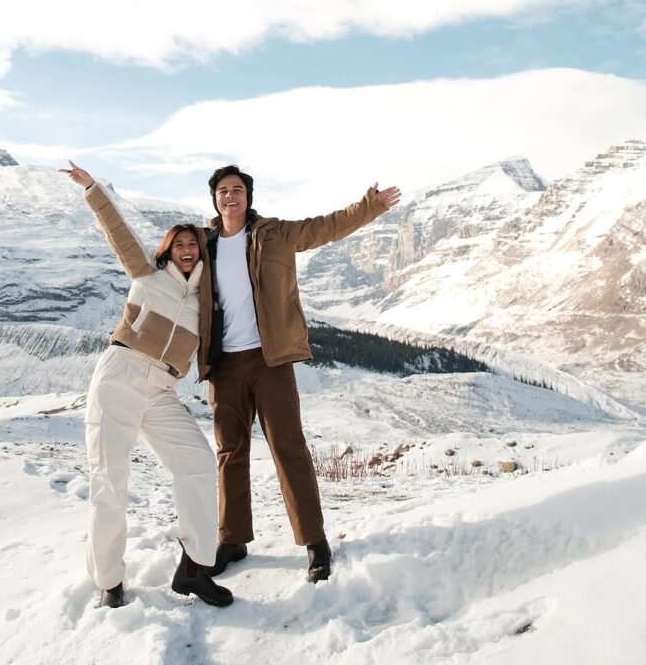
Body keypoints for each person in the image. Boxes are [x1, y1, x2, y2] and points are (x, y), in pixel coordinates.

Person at [200, 165, 401, 583]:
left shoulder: (276, 234)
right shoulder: (204, 245)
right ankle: (232, 540)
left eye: (237, 189)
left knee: (289, 448)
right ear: (215, 199)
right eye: (223, 191)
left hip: (269, 360)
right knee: (229, 454)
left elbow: (326, 227)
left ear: (248, 197)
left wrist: (370, 206)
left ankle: (315, 542)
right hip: (224, 365)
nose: (230, 196)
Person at [61, 160, 232, 610]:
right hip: (119, 376)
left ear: (202, 252)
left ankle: (195, 568)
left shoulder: (203, 305)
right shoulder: (147, 275)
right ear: (168, 250)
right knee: (110, 480)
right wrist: (93, 188)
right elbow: (117, 231)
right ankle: (110, 581)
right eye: (179, 244)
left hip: (161, 390)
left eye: (193, 243)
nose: (187, 249)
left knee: (197, 462)